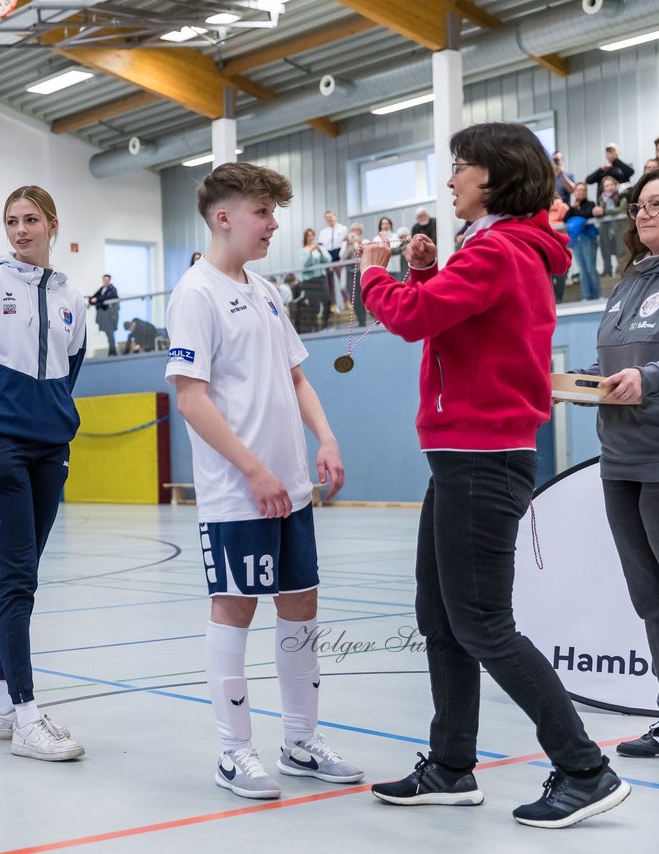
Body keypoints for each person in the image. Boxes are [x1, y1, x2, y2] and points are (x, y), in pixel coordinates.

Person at [361, 122, 630, 828]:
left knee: (481, 622)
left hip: (482, 456)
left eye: (459, 168)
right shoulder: (492, 250)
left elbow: (413, 319)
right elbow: (450, 319)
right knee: (442, 617)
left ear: (495, 176)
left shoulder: (502, 252)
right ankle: (451, 766)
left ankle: (585, 769)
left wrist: (375, 271)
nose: (450, 181)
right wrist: (424, 270)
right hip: (461, 455)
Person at [165, 162, 359, 802]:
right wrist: (252, 470)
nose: (274, 223)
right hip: (237, 493)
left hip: (291, 490)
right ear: (224, 217)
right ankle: (233, 752)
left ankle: (301, 741)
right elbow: (191, 398)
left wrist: (325, 437)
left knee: (301, 604)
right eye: (263, 212)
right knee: (236, 608)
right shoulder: (195, 293)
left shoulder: (267, 291)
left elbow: (297, 376)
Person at [0, 186, 88, 762]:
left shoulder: (73, 298)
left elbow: (71, 367)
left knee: (21, 574)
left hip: (50, 447)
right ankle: (27, 715)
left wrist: (48, 419)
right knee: (17, 579)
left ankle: (7, 702)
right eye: (11, 221)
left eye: (31, 220)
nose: (21, 230)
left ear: (53, 225)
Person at [571, 167, 659, 779]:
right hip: (622, 462)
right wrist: (579, 382)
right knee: (653, 600)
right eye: (638, 206)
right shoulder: (629, 282)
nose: (642, 214)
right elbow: (616, 361)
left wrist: (656, 379)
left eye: (657, 204)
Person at [565, 182, 603, 300]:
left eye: (583, 190)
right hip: (577, 241)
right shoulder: (573, 206)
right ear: (575, 192)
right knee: (582, 270)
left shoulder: (590, 204)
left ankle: (596, 295)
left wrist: (576, 213)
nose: (580, 192)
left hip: (588, 239)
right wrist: (573, 207)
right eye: (578, 190)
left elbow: (586, 215)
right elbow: (566, 218)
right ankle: (586, 296)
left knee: (591, 268)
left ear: (586, 192)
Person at [596, 174, 628, 277]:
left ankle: (624, 275)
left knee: (621, 253)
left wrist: (604, 211)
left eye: (611, 185)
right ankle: (608, 273)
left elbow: (620, 209)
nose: (609, 187)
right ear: (603, 188)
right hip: (606, 230)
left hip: (621, 229)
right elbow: (599, 212)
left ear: (615, 185)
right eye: (606, 185)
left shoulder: (622, 196)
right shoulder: (601, 199)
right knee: (606, 252)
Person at [318, 210, 349, 310]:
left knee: (343, 281)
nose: (329, 219)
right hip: (327, 258)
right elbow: (321, 246)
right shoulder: (323, 232)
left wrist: (342, 257)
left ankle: (347, 301)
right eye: (327, 218)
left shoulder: (343, 228)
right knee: (329, 283)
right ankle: (333, 304)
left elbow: (345, 243)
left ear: (335, 217)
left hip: (339, 257)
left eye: (330, 217)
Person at [89, 273, 120, 356]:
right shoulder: (101, 289)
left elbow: (111, 296)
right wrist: (96, 300)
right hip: (103, 316)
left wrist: (98, 299)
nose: (106, 281)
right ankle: (112, 350)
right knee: (108, 333)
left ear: (109, 281)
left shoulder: (112, 289)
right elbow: (92, 298)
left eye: (107, 280)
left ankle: (112, 350)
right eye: (104, 280)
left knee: (110, 333)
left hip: (110, 315)